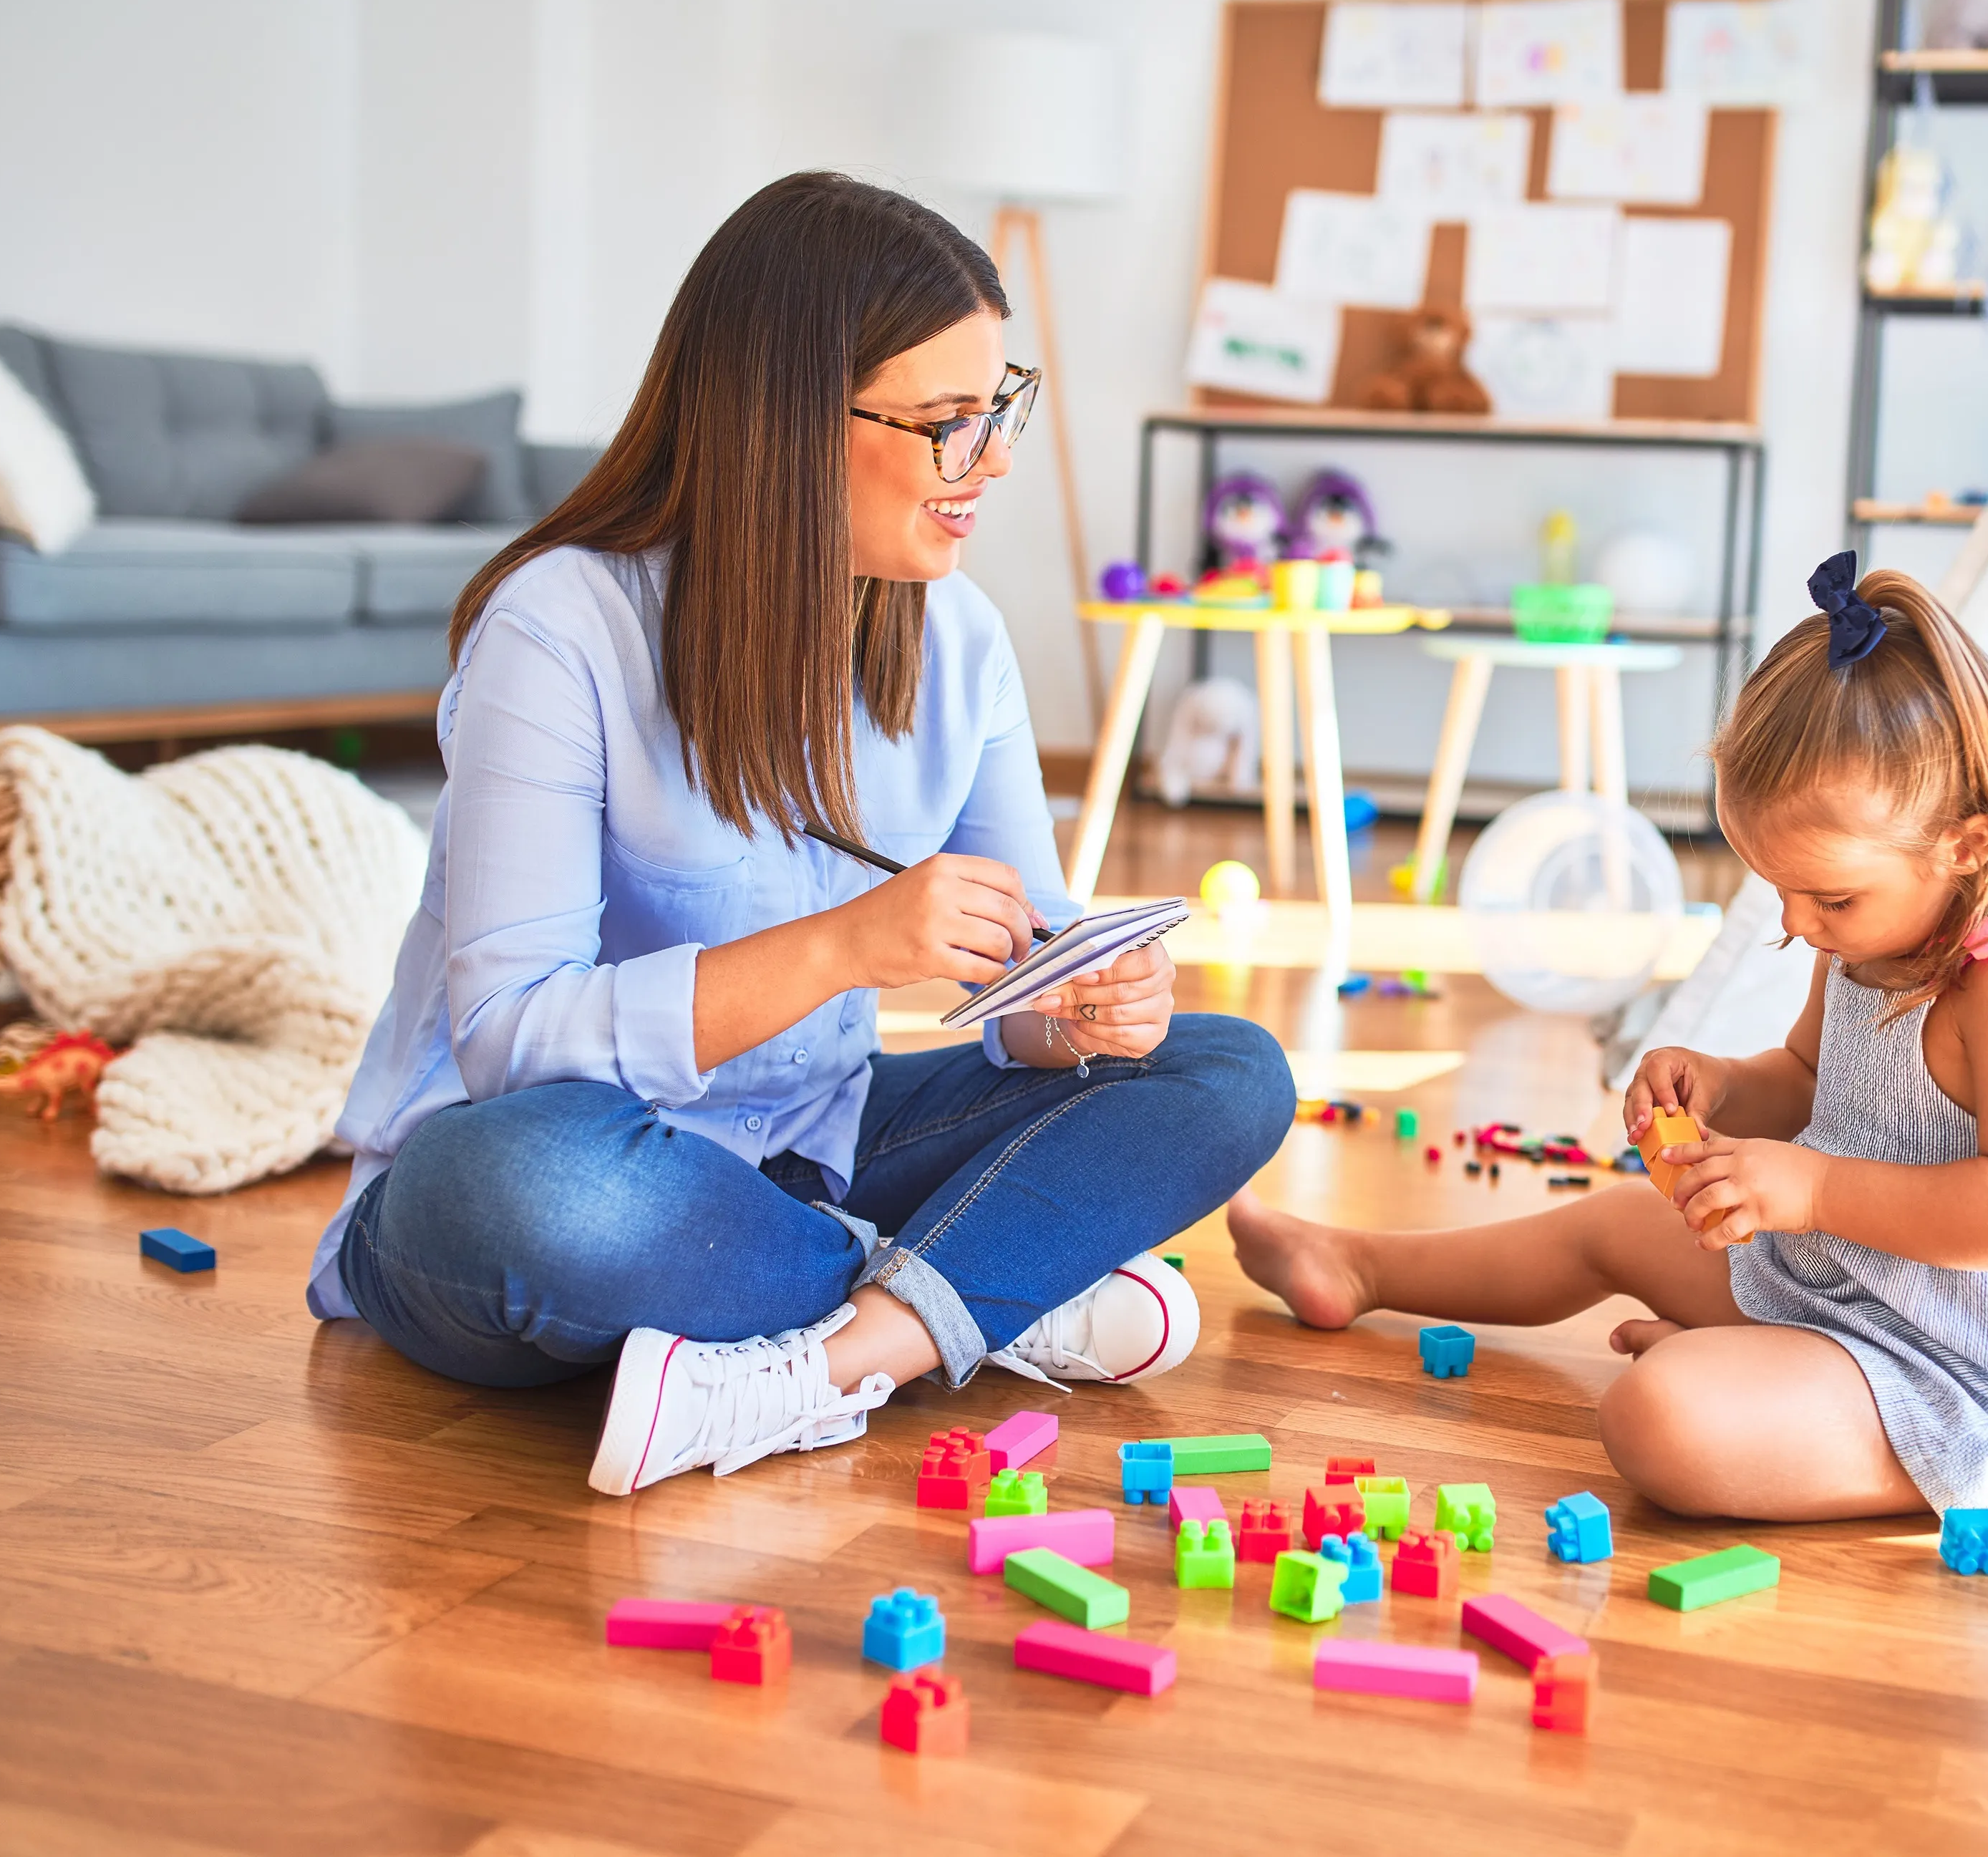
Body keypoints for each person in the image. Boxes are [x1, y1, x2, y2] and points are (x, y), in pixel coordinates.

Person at [308, 172, 1294, 1496]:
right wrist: (842, 950)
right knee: (522, 1194)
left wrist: (1084, 1010)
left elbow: (1025, 994)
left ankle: (840, 1356)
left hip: (806, 1156)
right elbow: (509, 1041)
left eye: (998, 407)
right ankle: (981, 1293)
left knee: (1224, 1068)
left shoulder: (960, 642)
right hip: (560, 1171)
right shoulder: (561, 630)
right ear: (784, 418)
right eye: (950, 421)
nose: (993, 459)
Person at [1231, 555, 1988, 1523]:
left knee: (1658, 1418)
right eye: (1776, 888)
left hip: (1972, 1378)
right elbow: (1803, 1076)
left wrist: (1815, 1188)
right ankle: (1359, 1266)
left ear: (1962, 847)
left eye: (1828, 895)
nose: (1799, 921)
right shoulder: (1864, 933)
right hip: (1851, 1289)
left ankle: (1807, 1416)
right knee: (1611, 1222)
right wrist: (1715, 1086)